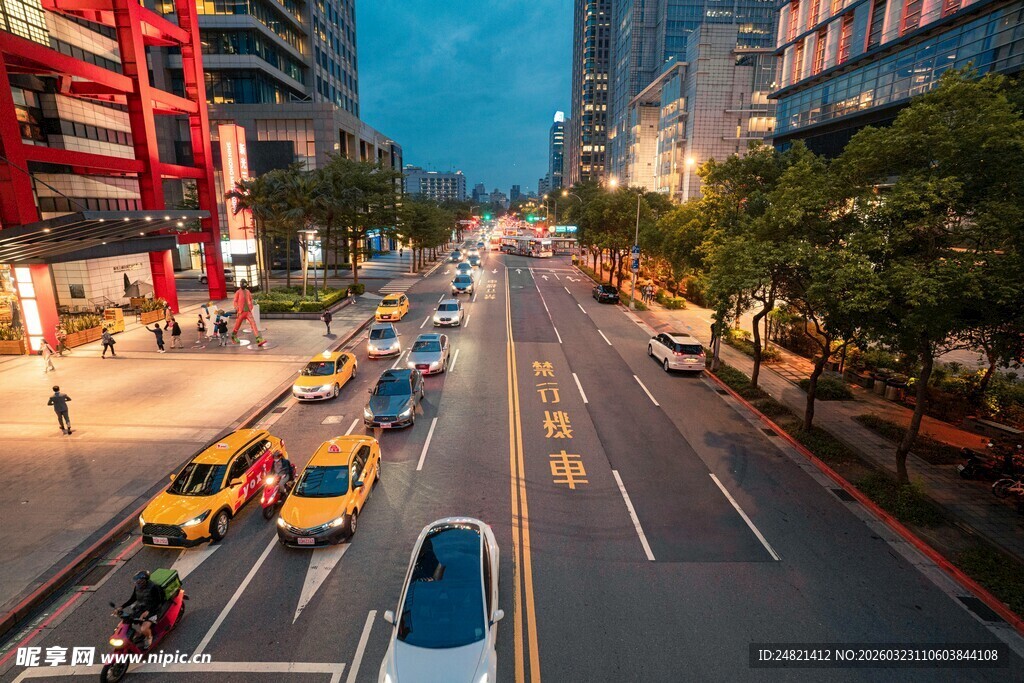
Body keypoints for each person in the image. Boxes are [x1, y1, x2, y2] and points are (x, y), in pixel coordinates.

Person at [119, 571, 164, 650]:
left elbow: (158, 601)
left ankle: (149, 637)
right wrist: (121, 607)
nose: (137, 582)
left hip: (154, 610)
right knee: (125, 621)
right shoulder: (137, 587)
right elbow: (132, 599)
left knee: (144, 628)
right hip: (141, 608)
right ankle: (138, 635)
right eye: (136, 581)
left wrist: (148, 611)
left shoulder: (154, 587)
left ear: (144, 580)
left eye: (139, 581)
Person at [230, 280, 265, 346]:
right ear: (241, 284)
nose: (244, 285)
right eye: (243, 284)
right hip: (241, 312)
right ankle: (233, 335)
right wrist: (237, 308)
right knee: (237, 325)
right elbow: (235, 301)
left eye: (245, 284)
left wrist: (251, 306)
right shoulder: (238, 292)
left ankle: (258, 338)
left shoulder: (248, 291)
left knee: (253, 323)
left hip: (248, 312)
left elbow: (250, 299)